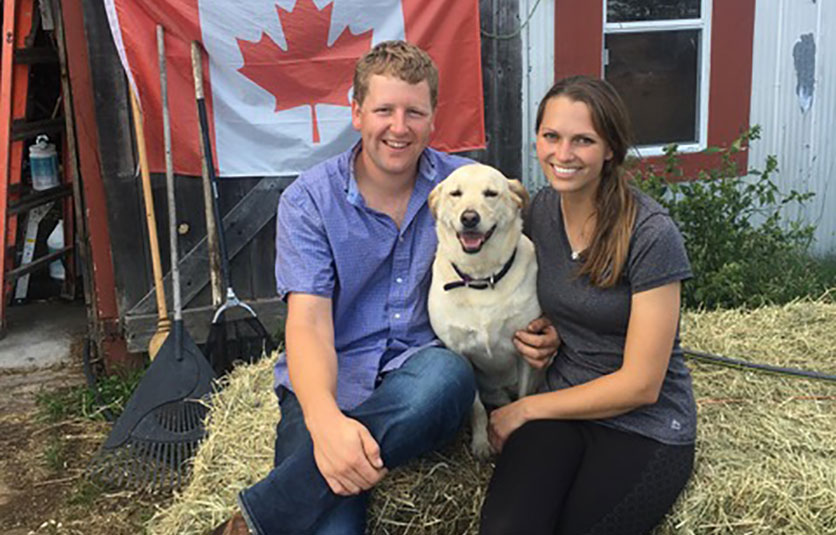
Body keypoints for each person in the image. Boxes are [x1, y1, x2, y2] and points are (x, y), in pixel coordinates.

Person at [212, 40, 558, 535]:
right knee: (336, 530)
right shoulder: (309, 201)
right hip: (331, 381)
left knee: (448, 375)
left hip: (419, 383)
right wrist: (328, 424)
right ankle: (290, 498)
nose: (399, 127)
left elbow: (532, 251)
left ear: (433, 118)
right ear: (356, 113)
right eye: (384, 110)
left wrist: (554, 326)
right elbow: (308, 322)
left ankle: (257, 518)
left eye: (414, 112)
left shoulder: (464, 189)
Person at [479, 76, 696, 535]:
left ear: (610, 149)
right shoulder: (539, 212)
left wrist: (524, 409)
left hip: (645, 426)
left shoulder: (651, 234)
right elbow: (540, 294)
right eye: (551, 137)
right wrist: (543, 329)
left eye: (583, 140)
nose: (563, 154)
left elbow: (641, 385)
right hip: (563, 408)